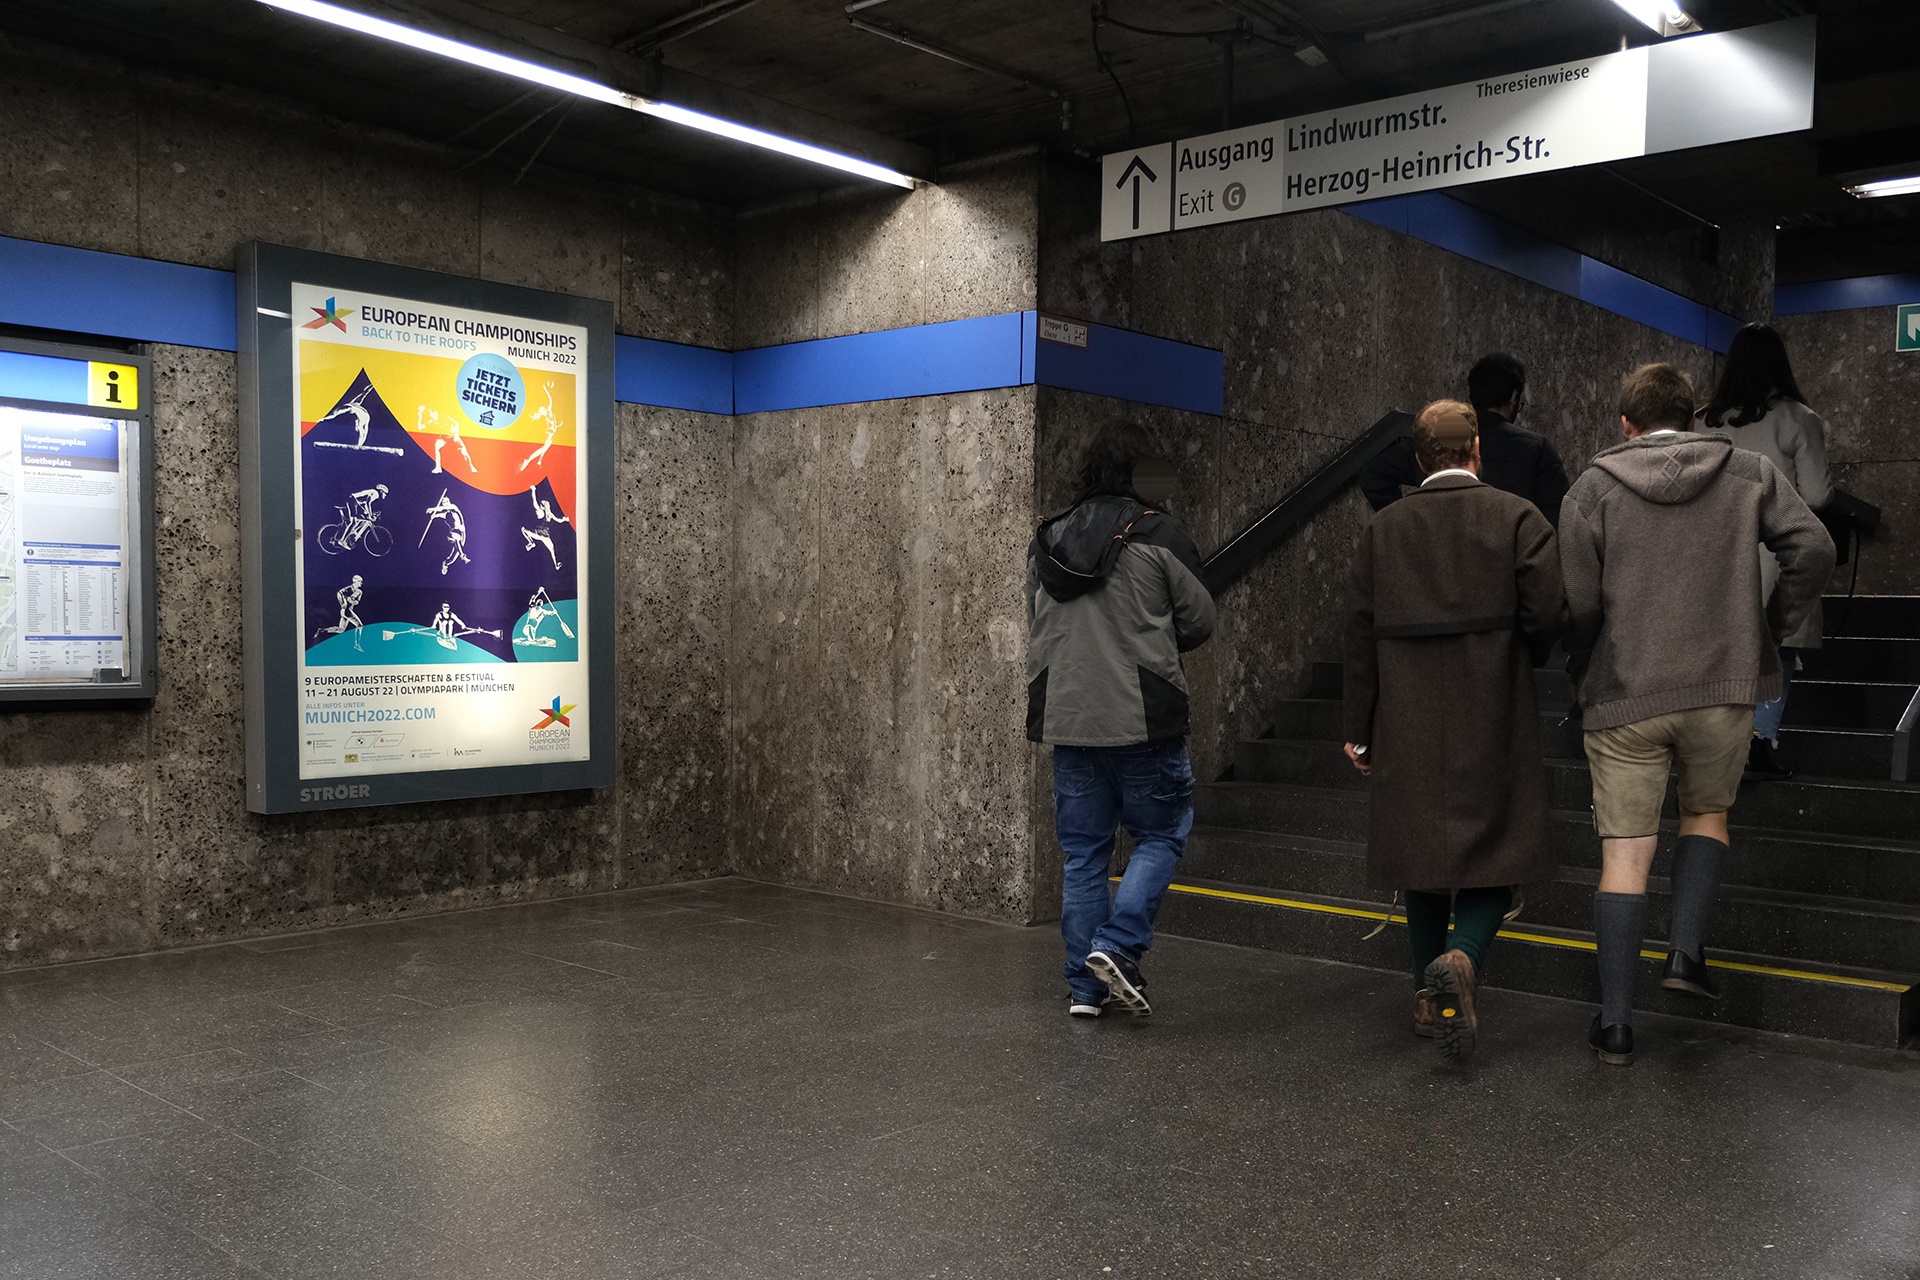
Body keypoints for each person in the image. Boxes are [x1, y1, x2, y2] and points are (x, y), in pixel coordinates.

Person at [1560, 364, 1833, 1066]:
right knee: (1706, 814)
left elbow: (1579, 605)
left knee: (1625, 852)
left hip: (1625, 692)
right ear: (1693, 416)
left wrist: (1584, 665)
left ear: (1626, 424)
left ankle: (1616, 1025)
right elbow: (1814, 548)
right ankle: (1684, 952)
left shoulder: (1591, 488)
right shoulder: (1748, 472)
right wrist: (1771, 625)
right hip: (1720, 687)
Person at [1342, 400, 1568, 1061]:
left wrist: (1359, 727)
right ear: (1476, 451)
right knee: (1501, 844)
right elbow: (1548, 609)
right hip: (1492, 703)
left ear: (1419, 460)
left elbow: (1358, 632)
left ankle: (1426, 993)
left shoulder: (1383, 530)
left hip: (1405, 712)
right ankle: (1463, 956)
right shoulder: (1517, 517)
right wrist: (1521, 653)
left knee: (1419, 858)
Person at [1026, 423, 1215, 1020]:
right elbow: (1200, 619)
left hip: (1070, 717)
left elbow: (1037, 620)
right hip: (1142, 717)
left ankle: (1085, 990)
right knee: (1162, 834)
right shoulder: (1160, 533)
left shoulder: (1049, 538)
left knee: (1084, 854)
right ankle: (1117, 944)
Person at [1697, 324, 1835, 782]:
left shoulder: (1702, 420)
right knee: (1777, 646)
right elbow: (1816, 496)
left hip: (1711, 555)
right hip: (1774, 554)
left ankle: (1714, 742)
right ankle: (1759, 741)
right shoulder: (1798, 418)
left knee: (1718, 649)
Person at [1360, 354, 1571, 524]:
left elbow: (1373, 474)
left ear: (1472, 397)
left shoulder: (1439, 438)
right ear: (1514, 397)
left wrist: (1409, 525)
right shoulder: (1536, 450)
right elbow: (1558, 522)